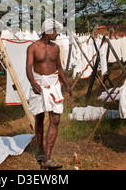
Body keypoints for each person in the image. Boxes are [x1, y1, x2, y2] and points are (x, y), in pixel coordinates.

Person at [26, 19, 73, 169]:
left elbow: (59, 67)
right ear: (47, 31)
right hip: (38, 84)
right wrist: (33, 83)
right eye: (55, 31)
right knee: (39, 118)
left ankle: (47, 157)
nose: (57, 33)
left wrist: (67, 85)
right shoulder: (32, 47)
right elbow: (28, 67)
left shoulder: (56, 48)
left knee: (55, 119)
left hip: (53, 84)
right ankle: (40, 152)